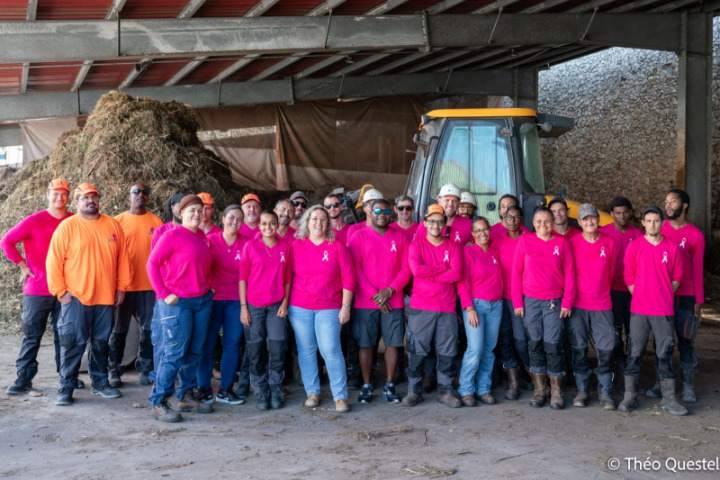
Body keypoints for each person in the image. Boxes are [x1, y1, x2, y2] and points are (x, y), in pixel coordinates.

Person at [46, 182, 130, 406]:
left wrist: (122, 286)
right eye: (85, 198)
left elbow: (123, 259)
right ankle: (66, 386)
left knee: (101, 343)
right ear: (76, 202)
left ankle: (100, 383)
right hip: (76, 298)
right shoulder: (67, 226)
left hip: (106, 298)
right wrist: (61, 292)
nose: (90, 200)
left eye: (94, 197)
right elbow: (53, 261)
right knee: (73, 343)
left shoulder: (113, 225)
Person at [146, 194, 215, 422]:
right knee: (175, 352)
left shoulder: (202, 236)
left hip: (201, 301)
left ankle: (186, 395)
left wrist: (209, 288)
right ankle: (159, 402)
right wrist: (164, 294)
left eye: (200, 210)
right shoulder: (172, 236)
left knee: (195, 351)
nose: (197, 214)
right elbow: (152, 265)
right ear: (180, 213)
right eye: (191, 210)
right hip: (178, 303)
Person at [2, 178, 73, 395]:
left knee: (65, 334)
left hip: (66, 289)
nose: (59, 197)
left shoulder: (74, 221)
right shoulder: (35, 220)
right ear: (47, 194)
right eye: (55, 193)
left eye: (64, 194)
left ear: (68, 197)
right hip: (37, 288)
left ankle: (66, 377)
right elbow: (6, 241)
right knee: (32, 334)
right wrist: (23, 266)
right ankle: (24, 377)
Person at [618, 205, 687, 416]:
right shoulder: (635, 247)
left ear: (662, 223)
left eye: (656, 221)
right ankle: (630, 397)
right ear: (643, 223)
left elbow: (676, 278)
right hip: (639, 310)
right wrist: (640, 294)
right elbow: (628, 277)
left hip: (663, 310)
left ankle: (669, 399)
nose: (652, 224)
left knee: (664, 352)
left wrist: (663, 294)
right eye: (648, 221)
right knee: (634, 352)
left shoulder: (673, 248)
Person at [289, 205, 355, 413]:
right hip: (300, 307)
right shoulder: (296, 246)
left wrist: (346, 306)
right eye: (314, 219)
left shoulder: (337, 246)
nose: (319, 223)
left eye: (323, 219)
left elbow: (349, 278)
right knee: (306, 350)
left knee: (330, 349)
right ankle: (313, 392)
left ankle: (340, 396)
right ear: (306, 222)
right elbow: (287, 278)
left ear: (328, 224)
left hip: (329, 306)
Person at [347, 199, 411, 404]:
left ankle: (390, 384)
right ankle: (367, 384)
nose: (382, 214)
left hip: (394, 300)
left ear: (390, 213)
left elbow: (407, 269)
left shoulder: (400, 237)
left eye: (385, 210)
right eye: (377, 210)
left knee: (393, 344)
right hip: (366, 302)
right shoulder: (358, 237)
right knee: (366, 344)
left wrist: (390, 291)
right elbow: (355, 269)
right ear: (369, 212)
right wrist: (377, 296)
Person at [512, 207, 575, 410]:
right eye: (539, 221)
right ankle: (540, 390)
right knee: (535, 343)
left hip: (553, 301)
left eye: (547, 221)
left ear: (552, 222)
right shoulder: (525, 241)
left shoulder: (561, 243)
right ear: (533, 222)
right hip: (530, 301)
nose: (543, 225)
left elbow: (571, 274)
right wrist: (518, 302)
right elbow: (516, 273)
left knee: (553, 344)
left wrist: (567, 302)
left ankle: (556, 392)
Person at [402, 204, 463, 408]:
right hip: (421, 307)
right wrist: (441, 268)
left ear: (445, 224)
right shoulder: (416, 245)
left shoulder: (453, 246)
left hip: (446, 307)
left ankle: (446, 392)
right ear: (425, 223)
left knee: (447, 351)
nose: (436, 225)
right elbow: (417, 271)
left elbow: (456, 274)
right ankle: (414, 391)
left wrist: (432, 274)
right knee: (417, 351)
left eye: (440, 221)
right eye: (432, 221)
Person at [650, 189, 704, 403]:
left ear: (685, 205)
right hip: (660, 297)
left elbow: (698, 270)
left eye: (673, 201)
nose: (668, 205)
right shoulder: (657, 228)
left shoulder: (695, 235)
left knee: (686, 341)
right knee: (661, 343)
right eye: (666, 201)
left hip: (686, 297)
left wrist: (699, 301)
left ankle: (688, 386)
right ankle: (659, 382)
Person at [109, 183, 164, 388]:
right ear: (129, 195)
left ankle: (146, 368)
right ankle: (114, 369)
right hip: (124, 285)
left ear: (148, 198)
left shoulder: (156, 221)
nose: (140, 195)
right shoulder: (117, 222)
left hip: (149, 286)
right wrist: (115, 283)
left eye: (144, 192)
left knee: (148, 329)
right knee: (119, 328)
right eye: (136, 192)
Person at [239, 211, 292, 410]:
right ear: (259, 226)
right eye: (264, 224)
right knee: (255, 349)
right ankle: (260, 390)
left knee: (278, 347)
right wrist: (244, 307)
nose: (268, 227)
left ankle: (275, 387)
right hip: (254, 306)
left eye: (272, 223)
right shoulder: (250, 247)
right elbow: (242, 279)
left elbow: (287, 278)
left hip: (276, 306)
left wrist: (285, 303)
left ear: (277, 225)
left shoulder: (285, 247)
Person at [568, 204, 618, 410]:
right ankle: (583, 390)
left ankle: (605, 392)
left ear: (598, 220)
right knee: (579, 348)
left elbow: (612, 271)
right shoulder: (572, 243)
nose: (589, 222)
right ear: (579, 223)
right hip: (578, 304)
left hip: (602, 304)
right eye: (585, 219)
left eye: (593, 218)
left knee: (606, 348)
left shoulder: (609, 243)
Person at [197, 205, 247, 405]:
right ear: (223, 218)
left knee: (232, 345)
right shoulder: (210, 241)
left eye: (239, 219)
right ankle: (203, 388)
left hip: (236, 301)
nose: (235, 222)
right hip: (213, 300)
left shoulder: (247, 244)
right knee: (206, 345)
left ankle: (226, 389)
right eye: (231, 217)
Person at [456, 217, 503, 407]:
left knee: (488, 350)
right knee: (475, 349)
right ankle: (466, 389)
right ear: (473, 234)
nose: (483, 234)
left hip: (496, 306)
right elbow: (462, 282)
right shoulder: (467, 252)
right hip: (475, 306)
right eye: (478, 231)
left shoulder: (495, 252)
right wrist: (469, 308)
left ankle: (483, 388)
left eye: (485, 230)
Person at [598, 196, 643, 386]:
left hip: (635, 292)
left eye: (625, 212)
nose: (622, 216)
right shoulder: (602, 234)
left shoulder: (639, 235)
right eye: (618, 213)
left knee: (633, 331)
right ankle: (618, 363)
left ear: (630, 213)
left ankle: (633, 367)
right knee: (614, 332)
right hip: (612, 291)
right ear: (611, 215)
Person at [493, 205, 530, 400]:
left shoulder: (529, 240)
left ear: (522, 219)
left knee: (522, 340)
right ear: (504, 219)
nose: (513, 221)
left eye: (517, 217)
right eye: (509, 217)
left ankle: (530, 375)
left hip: (524, 297)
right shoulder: (497, 241)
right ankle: (513, 381)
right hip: (501, 297)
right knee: (505, 339)